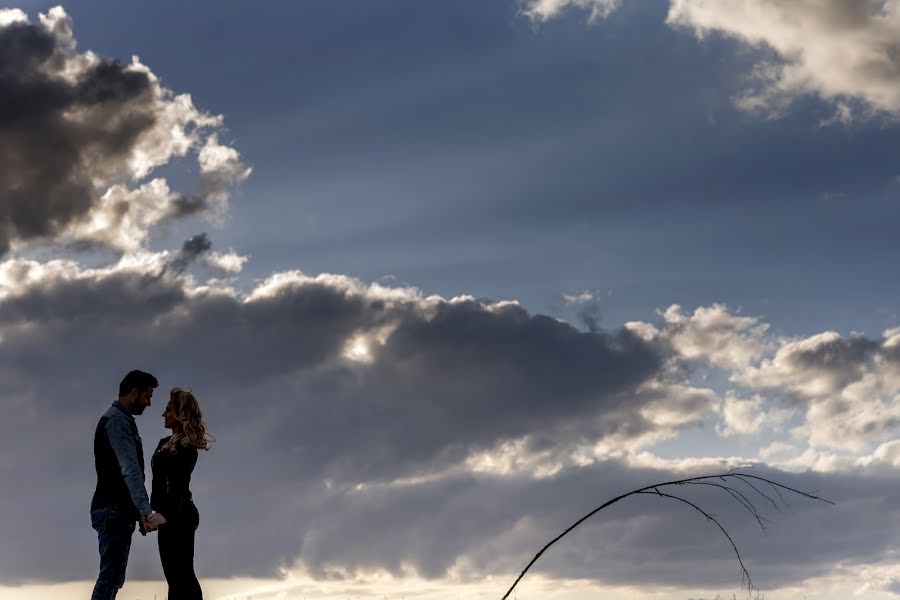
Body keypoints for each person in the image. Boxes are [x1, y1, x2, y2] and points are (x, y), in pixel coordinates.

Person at [91, 369, 167, 600]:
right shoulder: (116, 421)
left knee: (113, 578)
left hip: (115, 509)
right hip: (112, 510)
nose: (150, 403)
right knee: (110, 577)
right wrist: (145, 511)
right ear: (133, 393)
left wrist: (137, 513)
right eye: (148, 396)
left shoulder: (122, 421)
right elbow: (130, 470)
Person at [152, 387, 213, 600]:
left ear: (181, 413)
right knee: (174, 579)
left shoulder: (188, 447)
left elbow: (178, 485)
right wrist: (150, 513)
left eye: (169, 410)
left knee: (182, 577)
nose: (163, 414)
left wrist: (165, 515)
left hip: (180, 515)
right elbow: (158, 483)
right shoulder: (163, 444)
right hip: (166, 515)